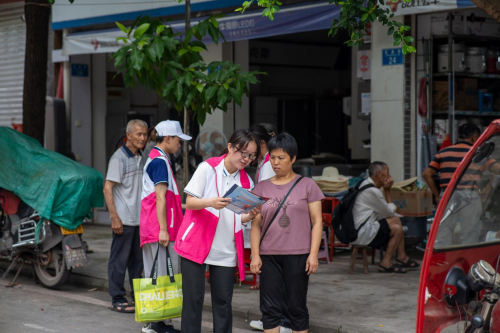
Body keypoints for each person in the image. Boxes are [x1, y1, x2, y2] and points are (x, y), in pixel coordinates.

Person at [174, 129, 262, 333]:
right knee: (193, 302)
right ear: (230, 147)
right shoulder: (208, 168)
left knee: (223, 304)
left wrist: (250, 215)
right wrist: (211, 202)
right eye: (243, 152)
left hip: (225, 249)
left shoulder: (247, 182)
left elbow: (236, 217)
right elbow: (190, 202)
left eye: (251, 155)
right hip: (196, 244)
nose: (246, 159)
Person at [250, 133, 324, 333]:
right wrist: (255, 254)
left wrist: (313, 254)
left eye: (281, 158)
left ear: (293, 158)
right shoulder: (261, 188)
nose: (275, 162)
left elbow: (318, 222)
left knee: (296, 308)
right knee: (270, 309)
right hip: (269, 255)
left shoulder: (308, 185)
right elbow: (256, 225)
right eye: (272, 157)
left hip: (298, 254)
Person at [140, 120, 191, 333]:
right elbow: (160, 198)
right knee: (160, 272)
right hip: (159, 228)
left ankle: (160, 321)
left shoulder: (158, 158)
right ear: (168, 138)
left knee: (160, 271)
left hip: (158, 226)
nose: (180, 144)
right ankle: (155, 323)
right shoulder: (160, 161)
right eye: (178, 139)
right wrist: (163, 229)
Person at [423, 123, 500, 246]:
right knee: (470, 234)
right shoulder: (479, 154)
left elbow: (427, 174)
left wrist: (438, 195)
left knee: (443, 233)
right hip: (470, 197)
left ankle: (442, 262)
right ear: (475, 137)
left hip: (448, 196)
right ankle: (467, 262)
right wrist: (488, 188)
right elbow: (498, 170)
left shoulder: (443, 152)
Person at [103, 119, 148, 313]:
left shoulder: (142, 157)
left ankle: (136, 296)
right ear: (128, 135)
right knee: (119, 260)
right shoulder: (118, 158)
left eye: (145, 134)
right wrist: (114, 218)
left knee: (138, 263)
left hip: (140, 219)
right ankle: (117, 298)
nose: (143, 138)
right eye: (138, 134)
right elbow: (107, 188)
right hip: (124, 219)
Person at [352, 162, 419, 273]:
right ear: (379, 174)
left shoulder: (364, 184)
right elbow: (389, 212)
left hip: (360, 228)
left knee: (396, 221)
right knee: (397, 228)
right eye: (387, 173)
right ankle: (386, 263)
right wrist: (388, 191)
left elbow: (384, 213)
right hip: (363, 232)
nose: (389, 177)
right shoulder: (373, 191)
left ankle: (401, 257)